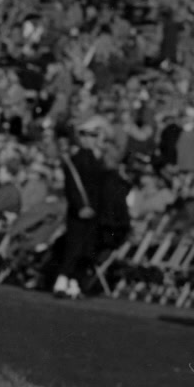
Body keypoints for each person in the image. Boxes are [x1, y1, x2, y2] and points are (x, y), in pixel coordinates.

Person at [50, 115, 112, 299]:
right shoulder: (78, 158)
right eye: (86, 135)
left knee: (87, 249)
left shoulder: (97, 159)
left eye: (94, 135)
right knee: (74, 247)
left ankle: (74, 283)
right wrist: (80, 207)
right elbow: (72, 187)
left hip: (94, 212)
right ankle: (62, 281)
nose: (90, 139)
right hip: (80, 212)